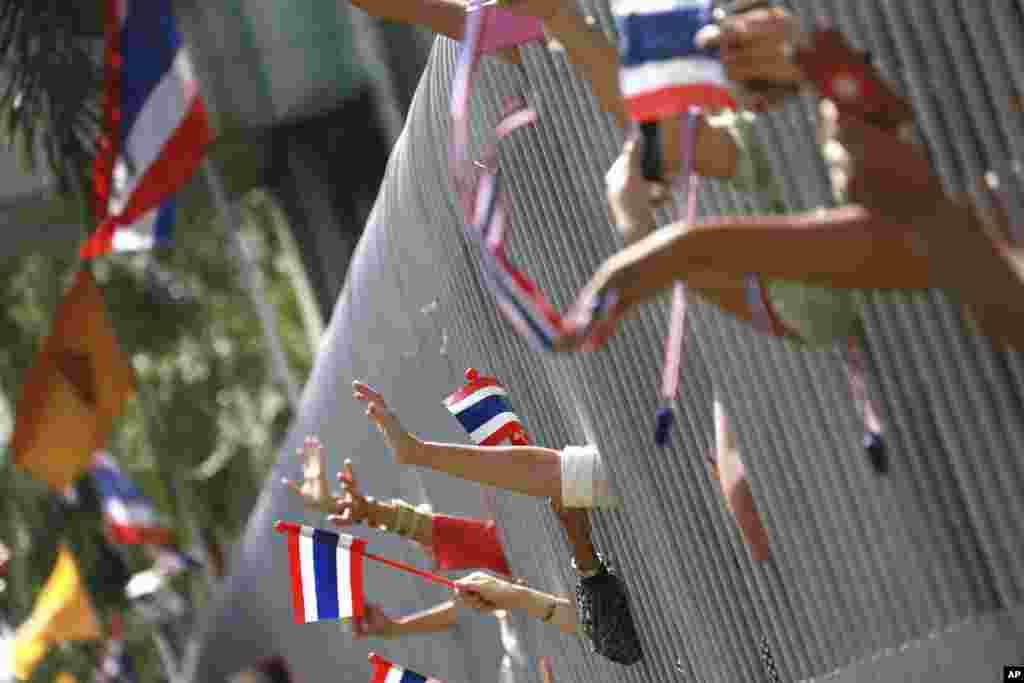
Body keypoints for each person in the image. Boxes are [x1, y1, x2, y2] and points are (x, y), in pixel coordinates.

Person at [348, 382, 642, 664]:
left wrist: (377, 510)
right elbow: (605, 634)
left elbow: (447, 534)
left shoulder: (505, 565)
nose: (430, 551)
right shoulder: (514, 652)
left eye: (427, 545)